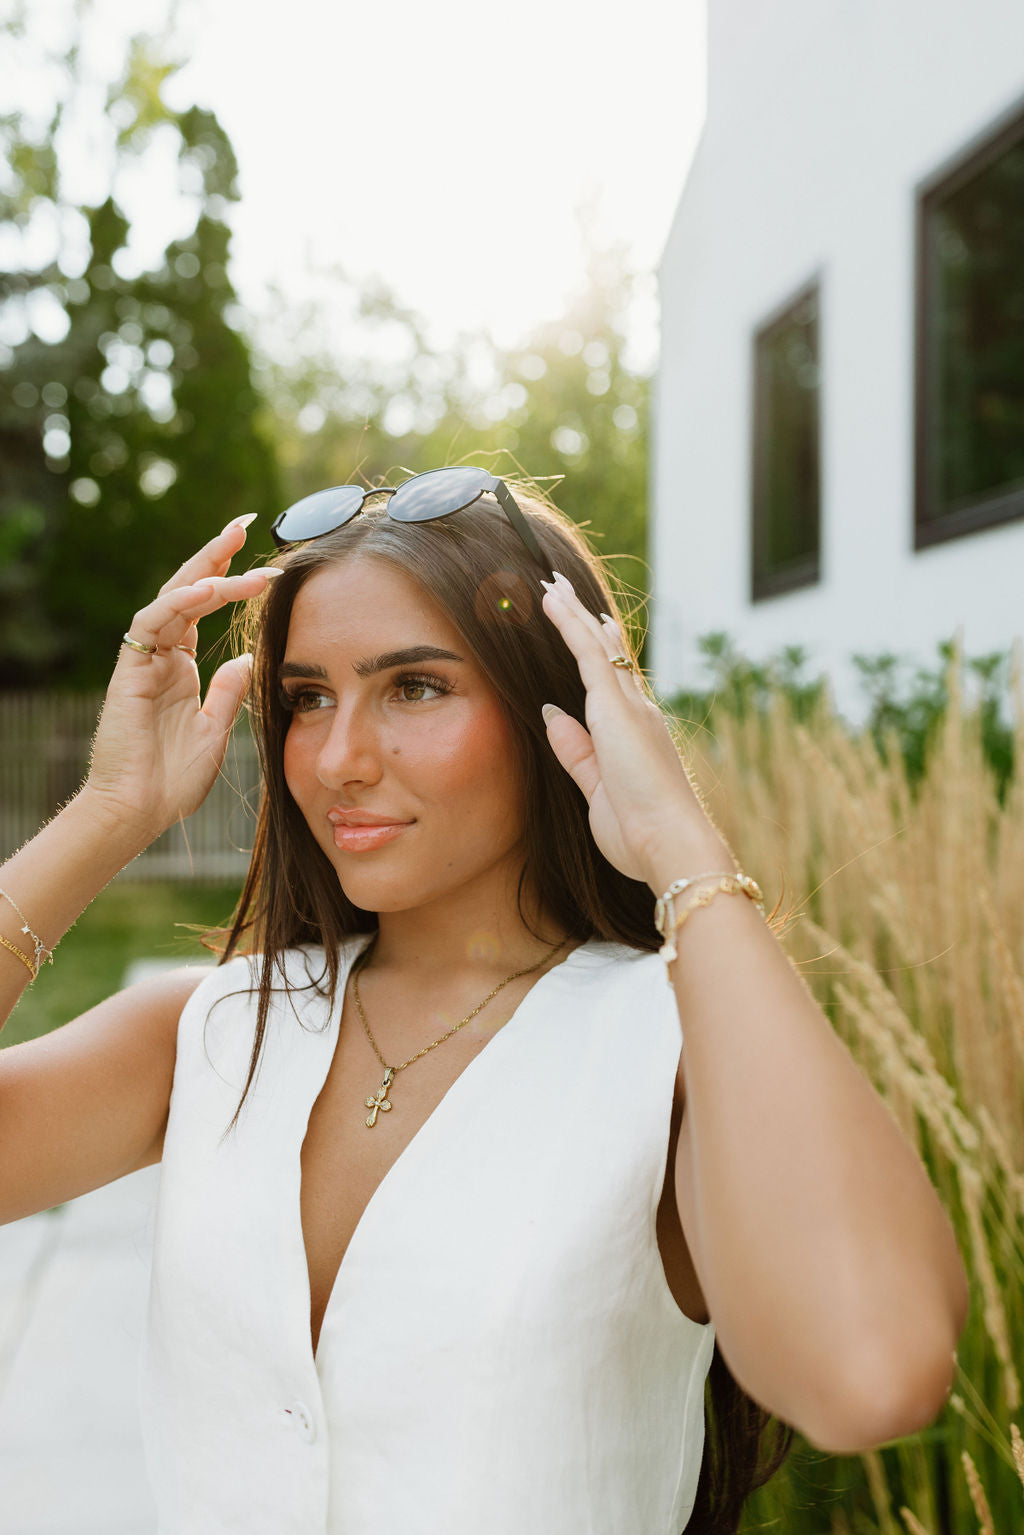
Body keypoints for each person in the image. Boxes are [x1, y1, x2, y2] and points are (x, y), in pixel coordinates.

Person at [0, 468, 969, 1535]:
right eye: (306, 698)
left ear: (559, 708)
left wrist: (685, 859)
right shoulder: (214, 1030)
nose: (338, 758)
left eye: (414, 686)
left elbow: (872, 1373)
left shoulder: (679, 1046)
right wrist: (109, 809)